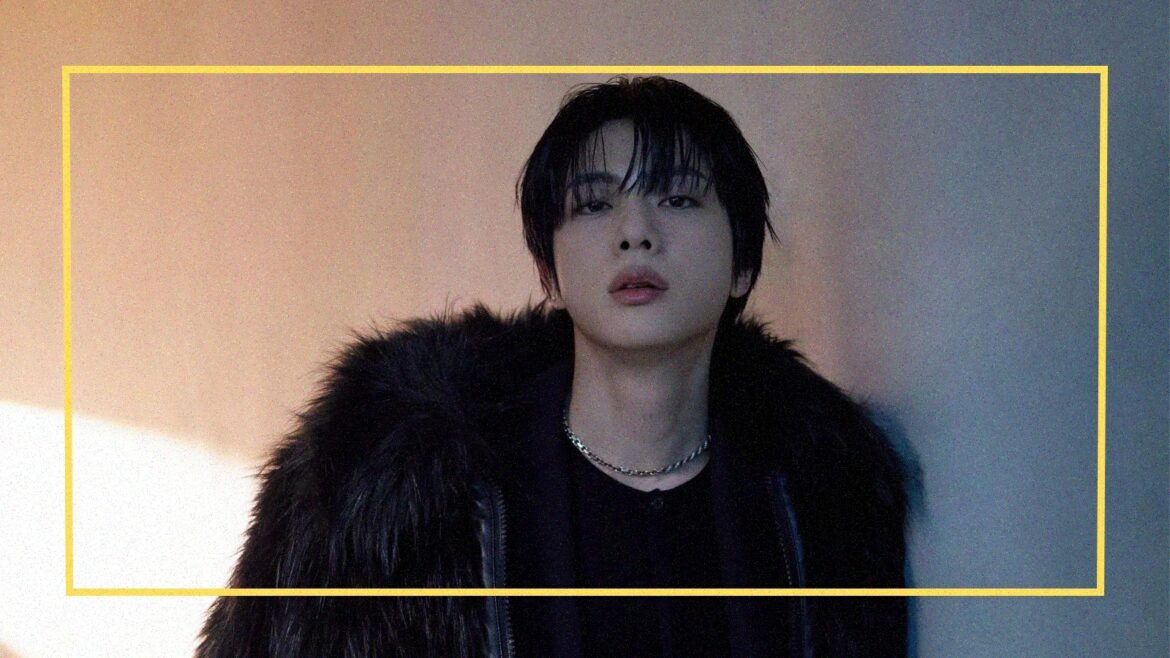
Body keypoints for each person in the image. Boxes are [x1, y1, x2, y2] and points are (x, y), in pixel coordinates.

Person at [197, 76, 909, 657]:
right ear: (550, 272)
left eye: (678, 198)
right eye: (594, 205)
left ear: (742, 263)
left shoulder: (822, 499)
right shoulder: (382, 481)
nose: (636, 233)